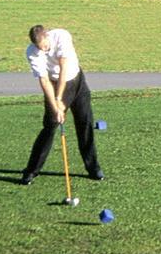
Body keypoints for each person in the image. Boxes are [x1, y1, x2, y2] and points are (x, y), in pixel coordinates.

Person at [21, 25, 104, 185]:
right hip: (53, 83)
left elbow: (64, 68)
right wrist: (55, 107)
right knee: (50, 125)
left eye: (44, 46)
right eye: (39, 47)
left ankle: (93, 168)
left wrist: (60, 100)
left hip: (76, 81)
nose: (43, 50)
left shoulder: (61, 36)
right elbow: (44, 81)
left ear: (47, 37)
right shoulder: (32, 51)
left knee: (85, 122)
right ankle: (31, 170)